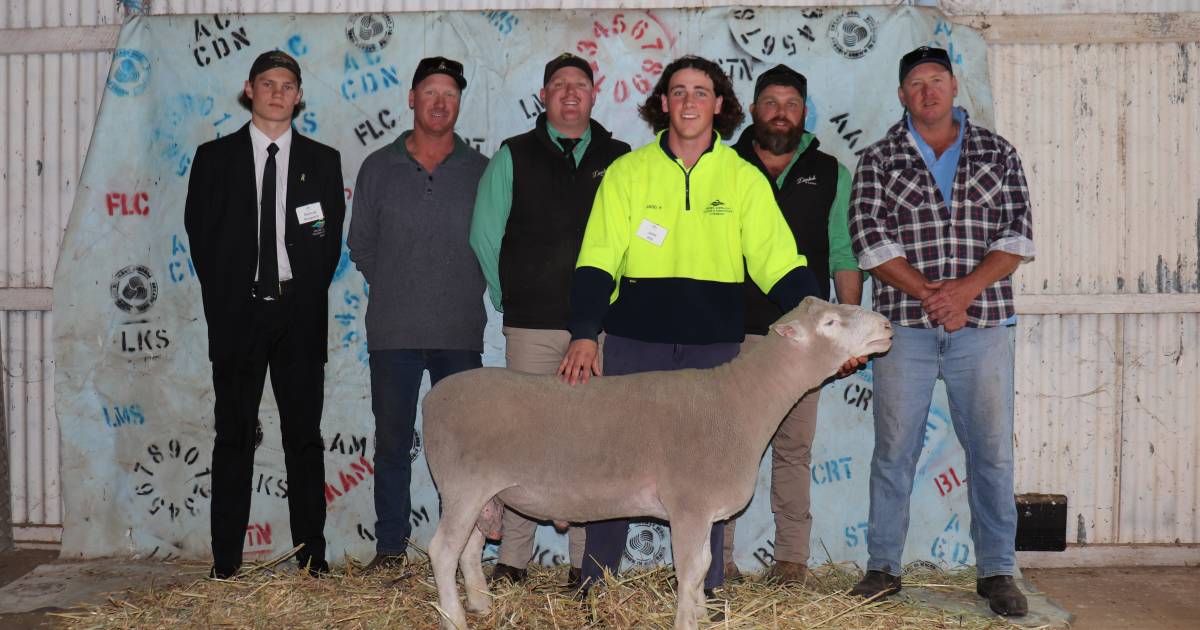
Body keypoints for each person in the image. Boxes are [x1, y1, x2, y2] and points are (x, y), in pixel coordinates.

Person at [558, 55, 857, 596]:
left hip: (714, 350)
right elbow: (597, 259)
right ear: (664, 103)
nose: (689, 101)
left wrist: (823, 322)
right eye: (679, 91)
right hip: (633, 345)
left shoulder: (742, 179)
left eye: (701, 92)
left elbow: (780, 263)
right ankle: (594, 584)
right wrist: (584, 331)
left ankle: (707, 588)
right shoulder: (628, 172)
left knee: (711, 472)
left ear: (720, 105)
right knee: (611, 463)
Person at [847, 46, 1035, 617]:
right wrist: (933, 294)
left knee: (993, 454)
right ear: (902, 95)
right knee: (893, 452)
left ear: (954, 87)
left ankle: (997, 571)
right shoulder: (879, 159)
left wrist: (964, 292)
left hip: (981, 326)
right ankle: (883, 567)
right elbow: (869, 243)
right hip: (905, 329)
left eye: (937, 80)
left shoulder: (997, 153)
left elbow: (1018, 236)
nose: (927, 91)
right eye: (916, 83)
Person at [469, 53, 630, 589]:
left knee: (592, 442)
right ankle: (513, 560)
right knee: (525, 438)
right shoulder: (513, 155)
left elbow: (630, 238)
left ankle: (586, 565)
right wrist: (508, 295)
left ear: (593, 94)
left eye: (579, 85)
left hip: (600, 327)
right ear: (543, 96)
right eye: (558, 84)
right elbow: (485, 235)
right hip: (533, 326)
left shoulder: (620, 157)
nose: (568, 93)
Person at [184, 50, 345, 579]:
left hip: (299, 315)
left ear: (299, 96)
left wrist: (298, 295)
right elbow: (201, 240)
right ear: (249, 90)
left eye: (288, 84)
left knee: (304, 438)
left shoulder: (324, 161)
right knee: (233, 437)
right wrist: (233, 299)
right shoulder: (214, 158)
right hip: (238, 315)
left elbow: (328, 243)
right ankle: (226, 564)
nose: (278, 92)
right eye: (268, 83)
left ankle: (311, 559)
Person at [723, 64, 863, 585]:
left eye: (792, 104)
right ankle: (720, 559)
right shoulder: (724, 165)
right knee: (724, 446)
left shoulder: (830, 172)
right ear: (754, 108)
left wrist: (846, 335)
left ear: (805, 113)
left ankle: (791, 562)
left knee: (793, 448)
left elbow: (844, 253)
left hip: (804, 345)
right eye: (770, 102)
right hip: (729, 332)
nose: (781, 113)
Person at [347, 57, 489, 571]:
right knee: (392, 443)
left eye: (449, 94)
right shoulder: (377, 168)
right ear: (412, 98)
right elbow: (360, 244)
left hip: (459, 331)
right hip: (394, 332)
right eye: (430, 91)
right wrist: (397, 287)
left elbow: (494, 241)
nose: (439, 102)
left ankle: (464, 551)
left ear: (458, 104)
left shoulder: (481, 171)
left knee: (469, 450)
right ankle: (390, 549)